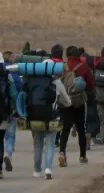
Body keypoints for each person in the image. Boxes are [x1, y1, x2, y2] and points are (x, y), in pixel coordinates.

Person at [20, 51, 71, 179]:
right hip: (52, 117)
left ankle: (37, 170)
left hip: (35, 116)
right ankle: (48, 169)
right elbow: (67, 101)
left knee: (37, 144)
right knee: (50, 144)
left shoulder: (33, 82)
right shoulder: (57, 83)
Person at [58, 46, 92, 167]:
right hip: (79, 102)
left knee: (65, 129)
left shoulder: (62, 67)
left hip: (65, 101)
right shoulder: (84, 67)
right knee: (81, 129)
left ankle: (62, 152)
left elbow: (57, 83)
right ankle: (82, 155)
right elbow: (90, 85)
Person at [2, 50, 20, 172]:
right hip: (11, 110)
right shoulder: (15, 74)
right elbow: (17, 93)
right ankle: (8, 154)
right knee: (10, 136)